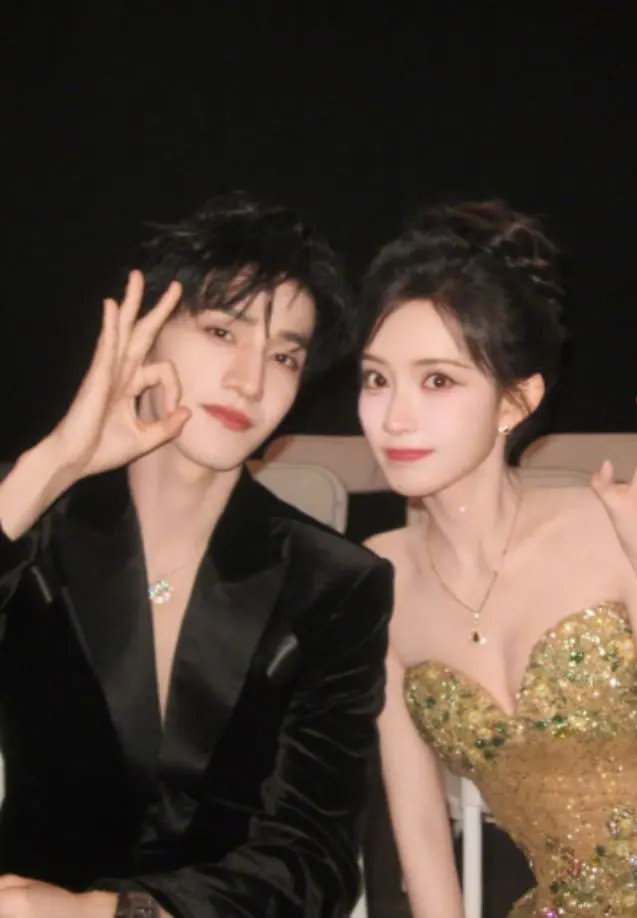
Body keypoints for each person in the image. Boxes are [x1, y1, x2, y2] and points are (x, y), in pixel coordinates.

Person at [0, 193, 394, 918]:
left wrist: (106, 913)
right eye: (221, 331)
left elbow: (314, 863)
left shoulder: (335, 582)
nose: (251, 380)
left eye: (283, 356)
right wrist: (53, 466)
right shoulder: (35, 524)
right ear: (145, 332)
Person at [356, 199, 637, 917]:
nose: (395, 417)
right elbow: (421, 839)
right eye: (377, 379)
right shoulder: (379, 577)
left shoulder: (609, 529)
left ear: (515, 401)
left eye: (437, 380)